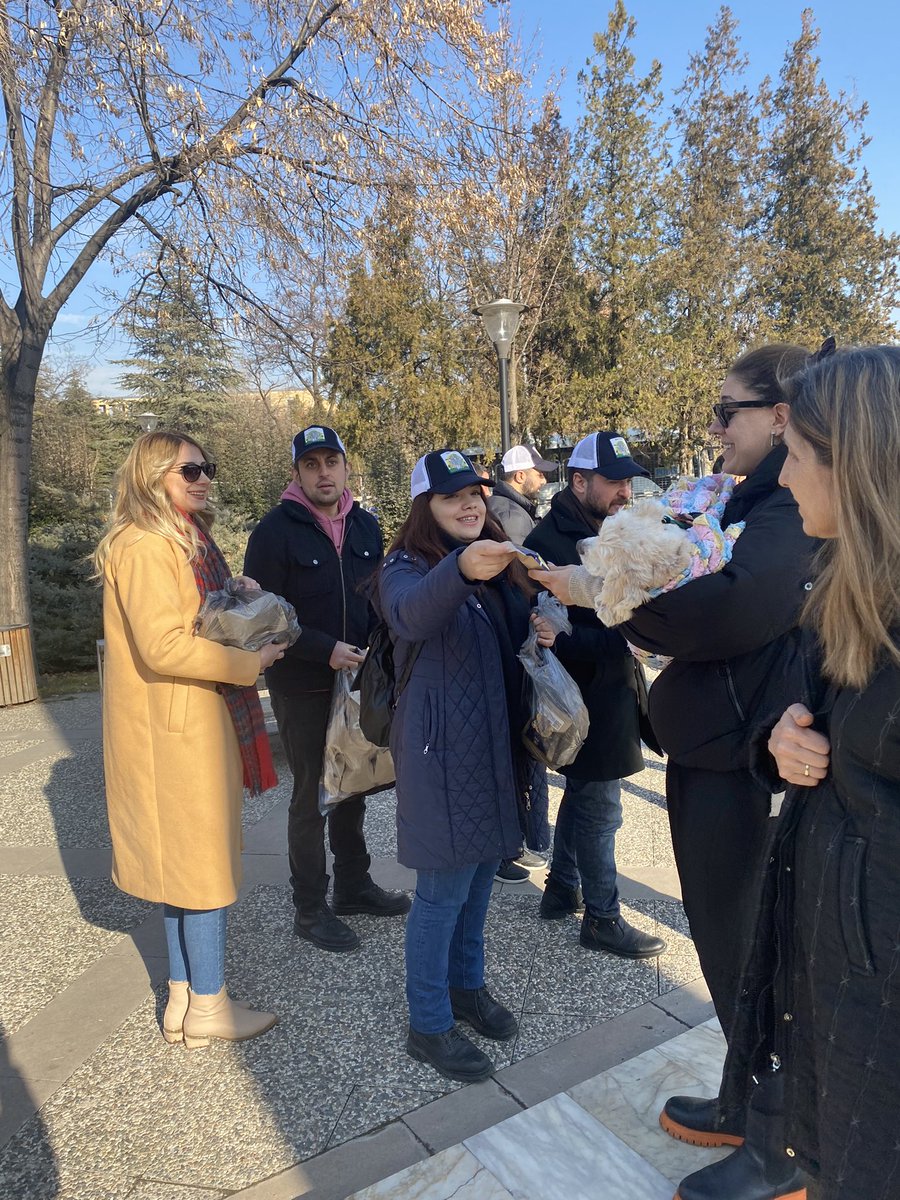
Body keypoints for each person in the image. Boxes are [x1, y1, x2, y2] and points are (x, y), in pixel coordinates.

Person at [530, 346, 818, 1193]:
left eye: (728, 411)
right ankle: (747, 1099)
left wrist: (607, 600)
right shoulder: (744, 497)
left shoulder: (787, 507)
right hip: (715, 749)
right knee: (729, 942)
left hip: (750, 760)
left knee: (759, 947)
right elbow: (684, 592)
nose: (715, 427)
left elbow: (727, 611)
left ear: (780, 415)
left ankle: (783, 1146)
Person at [709, 345, 900, 1200]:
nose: (786, 479)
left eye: (801, 455)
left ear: (856, 465)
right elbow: (825, 742)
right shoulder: (848, 593)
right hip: (832, 987)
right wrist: (783, 741)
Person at [95, 431, 282, 1048]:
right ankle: (208, 1006)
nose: (204, 479)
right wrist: (249, 665)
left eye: (209, 467)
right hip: (177, 730)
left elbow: (187, 620)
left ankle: (182, 999)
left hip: (179, 723)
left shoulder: (178, 539)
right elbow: (164, 644)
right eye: (189, 470)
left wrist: (236, 599)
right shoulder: (150, 544)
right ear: (152, 477)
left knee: (182, 869)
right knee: (201, 871)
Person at [379, 449, 555, 1083]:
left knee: (481, 879)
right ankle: (427, 1023)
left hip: (494, 749)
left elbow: (515, 632)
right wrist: (459, 568)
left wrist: (542, 624)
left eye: (476, 493)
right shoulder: (405, 567)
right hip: (440, 758)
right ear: (425, 506)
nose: (470, 503)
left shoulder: (498, 558)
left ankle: (467, 988)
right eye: (453, 496)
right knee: (440, 893)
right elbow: (410, 614)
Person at [243, 424, 410, 954]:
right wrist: (323, 649)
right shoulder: (273, 533)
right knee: (313, 793)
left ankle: (354, 887)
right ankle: (310, 908)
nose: (323, 474)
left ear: (344, 467)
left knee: (352, 782)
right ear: (297, 472)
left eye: (330, 463)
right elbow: (263, 618)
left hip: (356, 680)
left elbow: (376, 598)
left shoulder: (366, 525)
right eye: (311, 465)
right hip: (304, 683)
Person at [524, 432, 666, 960]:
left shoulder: (615, 529)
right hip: (580, 700)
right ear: (578, 481)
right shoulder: (549, 541)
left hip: (613, 689)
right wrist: (634, 638)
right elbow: (548, 635)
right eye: (612, 481)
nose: (624, 491)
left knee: (586, 798)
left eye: (628, 480)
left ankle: (562, 888)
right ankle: (603, 918)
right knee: (602, 810)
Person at [487, 444, 557, 880]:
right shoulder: (512, 518)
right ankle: (518, 845)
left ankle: (524, 843)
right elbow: (519, 586)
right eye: (537, 472)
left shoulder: (513, 510)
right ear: (518, 477)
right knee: (522, 755)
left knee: (522, 756)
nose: (544, 478)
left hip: (514, 648)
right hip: (516, 651)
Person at [487, 443, 556, 543]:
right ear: (520, 476)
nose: (544, 481)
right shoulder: (513, 516)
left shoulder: (500, 505)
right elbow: (520, 557)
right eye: (540, 475)